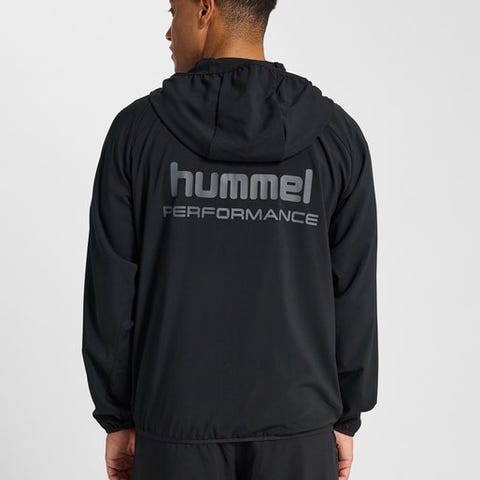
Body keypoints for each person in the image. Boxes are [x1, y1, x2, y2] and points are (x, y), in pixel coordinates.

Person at [81, 0, 379, 479]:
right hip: (300, 430)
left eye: (172, 12)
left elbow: (111, 291)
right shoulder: (336, 137)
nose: (169, 33)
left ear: (205, 9)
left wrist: (118, 415)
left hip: (173, 425)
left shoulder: (136, 134)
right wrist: (347, 415)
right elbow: (354, 292)